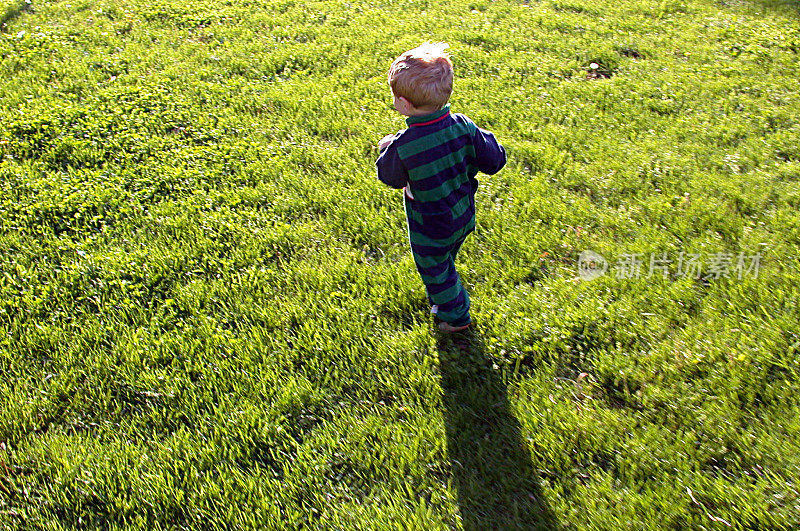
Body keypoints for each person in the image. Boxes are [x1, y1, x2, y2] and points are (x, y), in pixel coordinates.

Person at [375, 42, 506, 333]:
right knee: (446, 258)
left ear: (405, 105)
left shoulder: (405, 146)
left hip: (430, 225)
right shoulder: (463, 126)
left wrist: (389, 148)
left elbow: (391, 178)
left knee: (435, 269)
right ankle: (445, 292)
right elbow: (495, 160)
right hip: (463, 213)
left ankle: (456, 316)